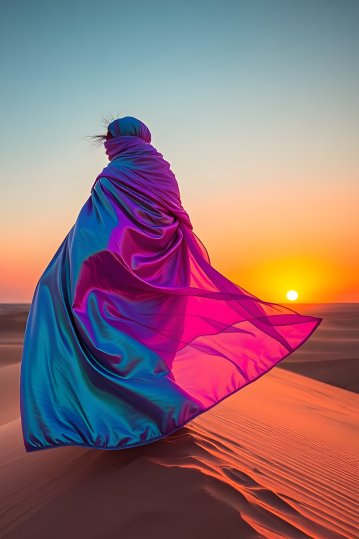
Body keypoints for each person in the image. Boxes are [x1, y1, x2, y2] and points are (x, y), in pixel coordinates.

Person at [20, 116, 321, 451]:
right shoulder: (162, 168)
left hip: (113, 273)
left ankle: (139, 418)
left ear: (116, 140)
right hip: (166, 273)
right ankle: (151, 414)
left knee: (86, 322)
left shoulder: (113, 175)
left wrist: (72, 271)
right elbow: (171, 219)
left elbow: (97, 232)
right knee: (145, 345)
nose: (105, 145)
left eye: (108, 139)